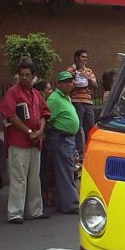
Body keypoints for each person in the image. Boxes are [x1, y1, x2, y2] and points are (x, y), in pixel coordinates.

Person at [0, 62, 51, 223]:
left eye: (27, 74)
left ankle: (35, 210)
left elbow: (44, 113)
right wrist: (28, 132)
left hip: (35, 141)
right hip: (19, 141)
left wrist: (40, 131)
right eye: (21, 74)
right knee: (19, 178)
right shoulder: (12, 93)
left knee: (34, 177)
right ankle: (15, 213)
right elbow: (10, 115)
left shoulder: (36, 94)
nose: (24, 77)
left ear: (33, 76)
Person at [46, 71, 80, 214]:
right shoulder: (54, 99)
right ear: (59, 84)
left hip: (67, 138)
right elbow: (47, 118)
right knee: (66, 171)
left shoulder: (66, 97)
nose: (68, 84)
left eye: (70, 81)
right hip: (61, 138)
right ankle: (71, 204)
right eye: (65, 81)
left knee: (64, 170)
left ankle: (62, 203)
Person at [68, 49, 98, 158]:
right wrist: (76, 80)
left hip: (88, 102)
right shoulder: (71, 71)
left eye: (86, 57)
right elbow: (68, 87)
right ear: (76, 58)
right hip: (76, 101)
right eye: (83, 57)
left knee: (90, 128)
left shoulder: (89, 71)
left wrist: (88, 78)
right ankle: (79, 153)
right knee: (77, 128)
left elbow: (95, 85)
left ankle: (90, 151)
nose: (85, 59)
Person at [33, 80, 55, 206]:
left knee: (44, 168)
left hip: (44, 140)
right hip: (42, 140)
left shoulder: (42, 101)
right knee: (42, 169)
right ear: (42, 91)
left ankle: (44, 195)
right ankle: (42, 196)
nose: (50, 91)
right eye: (48, 89)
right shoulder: (41, 103)